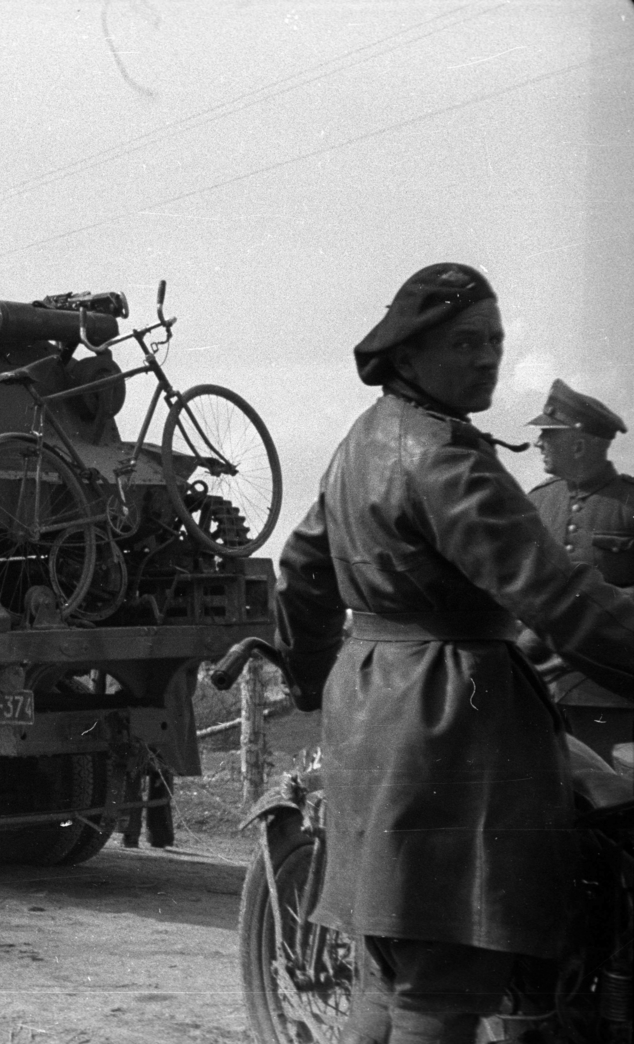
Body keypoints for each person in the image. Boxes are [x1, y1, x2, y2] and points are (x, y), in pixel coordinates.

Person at [275, 263, 634, 1044]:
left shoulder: (364, 438)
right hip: (450, 725)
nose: (486, 359)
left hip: (370, 716)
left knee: (390, 967)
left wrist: (313, 679)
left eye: (496, 342)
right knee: (449, 975)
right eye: (465, 343)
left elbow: (303, 567)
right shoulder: (445, 457)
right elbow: (556, 596)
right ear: (408, 354)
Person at [515, 379, 634, 763]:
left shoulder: (629, 503)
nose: (538, 444)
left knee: (609, 799)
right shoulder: (536, 503)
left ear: (579, 445)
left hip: (605, 690)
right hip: (536, 682)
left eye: (548, 436)